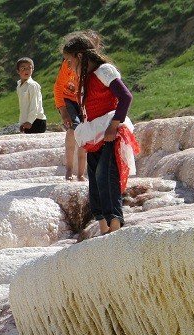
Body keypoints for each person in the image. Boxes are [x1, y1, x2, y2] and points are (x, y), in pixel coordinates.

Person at [63, 32, 139, 235]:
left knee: (106, 175)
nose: (68, 66)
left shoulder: (104, 71)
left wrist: (114, 125)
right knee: (95, 180)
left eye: (70, 61)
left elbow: (125, 96)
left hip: (110, 130)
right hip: (95, 134)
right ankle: (103, 226)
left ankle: (115, 224)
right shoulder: (85, 79)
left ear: (80, 56)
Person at [53, 41, 86, 181]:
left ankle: (81, 173)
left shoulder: (87, 66)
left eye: (69, 59)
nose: (67, 62)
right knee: (73, 128)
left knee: (84, 132)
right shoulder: (66, 66)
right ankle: (69, 170)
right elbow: (58, 88)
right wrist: (64, 111)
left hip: (82, 99)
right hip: (67, 99)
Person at [16, 58, 47, 134]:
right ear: (18, 71)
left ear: (32, 69)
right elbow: (23, 106)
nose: (26, 70)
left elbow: (35, 105)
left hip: (36, 121)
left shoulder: (32, 85)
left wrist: (29, 121)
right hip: (27, 122)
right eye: (23, 68)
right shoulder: (19, 86)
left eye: (29, 68)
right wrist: (22, 122)